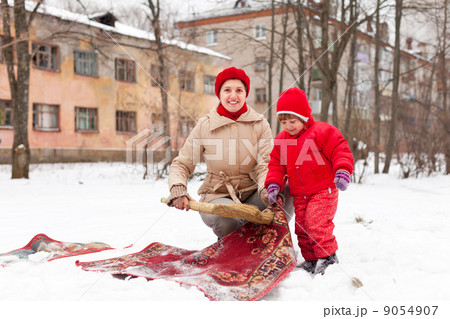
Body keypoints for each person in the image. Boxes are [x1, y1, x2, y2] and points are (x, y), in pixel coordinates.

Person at [166, 67, 274, 239]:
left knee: (286, 189)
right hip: (218, 197)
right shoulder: (205, 125)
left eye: (239, 90)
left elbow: (266, 164)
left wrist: (267, 189)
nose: (233, 96)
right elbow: (183, 162)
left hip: (254, 194)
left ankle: (265, 239)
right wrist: (178, 188)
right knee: (226, 218)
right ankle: (238, 241)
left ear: (246, 93)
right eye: (227, 90)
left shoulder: (260, 124)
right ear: (219, 94)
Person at [264, 87, 354, 275]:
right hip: (300, 194)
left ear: (304, 116)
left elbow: (340, 149)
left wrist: (343, 170)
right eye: (284, 122)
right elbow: (275, 166)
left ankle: (328, 258)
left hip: (324, 189)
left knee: (317, 222)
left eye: (292, 121)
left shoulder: (322, 131)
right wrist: (274, 184)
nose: (288, 126)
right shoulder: (282, 140)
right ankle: (311, 259)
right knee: (302, 227)